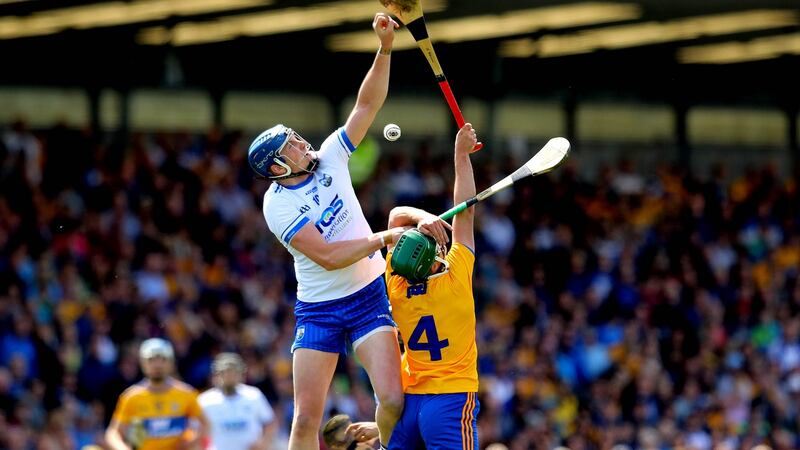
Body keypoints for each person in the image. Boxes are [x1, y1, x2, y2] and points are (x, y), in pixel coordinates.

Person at [246, 12, 448, 450]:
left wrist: (385, 48)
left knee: (392, 400)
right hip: (319, 309)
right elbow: (331, 256)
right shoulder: (278, 205)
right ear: (277, 168)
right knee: (305, 419)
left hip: (369, 297)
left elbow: (366, 106)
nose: (301, 142)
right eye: (290, 145)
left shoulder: (329, 158)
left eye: (295, 136)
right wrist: (386, 238)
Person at [321, 123, 481, 449]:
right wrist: (461, 155)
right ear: (435, 259)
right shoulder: (455, 278)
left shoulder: (395, 283)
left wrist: (422, 218)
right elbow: (465, 212)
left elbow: (396, 216)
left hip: (409, 405)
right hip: (451, 400)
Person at [105, 338, 209, 450]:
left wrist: (191, 443)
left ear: (171, 362)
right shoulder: (131, 397)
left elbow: (206, 425)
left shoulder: (186, 393)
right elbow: (113, 433)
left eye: (163, 359)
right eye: (151, 360)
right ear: (142, 363)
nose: (157, 365)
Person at [198, 353, 276, 450]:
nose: (229, 376)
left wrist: (263, 443)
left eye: (234, 372)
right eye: (225, 372)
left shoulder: (253, 395)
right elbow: (195, 429)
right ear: (216, 374)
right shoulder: (205, 400)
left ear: (241, 374)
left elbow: (270, 422)